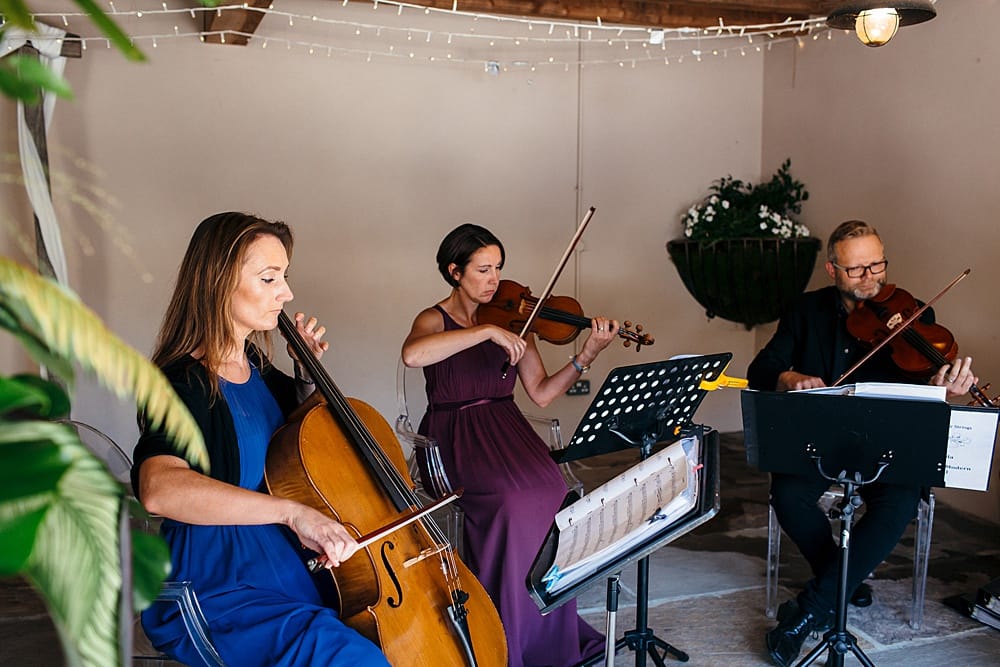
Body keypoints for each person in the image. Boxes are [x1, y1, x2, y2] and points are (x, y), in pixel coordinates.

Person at [131, 212, 390, 667]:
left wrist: (306, 375)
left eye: (284, 277)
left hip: (282, 565)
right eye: (269, 278)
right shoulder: (180, 382)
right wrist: (292, 513)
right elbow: (158, 490)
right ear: (218, 283)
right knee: (350, 657)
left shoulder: (256, 366)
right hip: (216, 584)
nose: (285, 293)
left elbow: (299, 443)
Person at [747, 219, 977, 667]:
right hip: (822, 440)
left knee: (899, 503)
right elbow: (762, 368)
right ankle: (843, 580)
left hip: (887, 445)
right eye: (856, 270)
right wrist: (789, 376)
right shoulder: (805, 311)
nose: (870, 278)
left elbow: (926, 385)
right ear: (833, 270)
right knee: (788, 495)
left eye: (877, 265)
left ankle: (811, 609)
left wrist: (945, 388)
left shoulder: (914, 315)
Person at [402, 223, 613, 667]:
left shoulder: (515, 321)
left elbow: (541, 392)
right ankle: (501, 629)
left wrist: (587, 354)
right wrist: (485, 333)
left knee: (553, 491)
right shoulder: (433, 319)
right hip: (455, 435)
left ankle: (546, 630)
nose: (494, 280)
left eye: (498, 268)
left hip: (506, 426)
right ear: (454, 271)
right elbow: (413, 355)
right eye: (483, 270)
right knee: (509, 501)